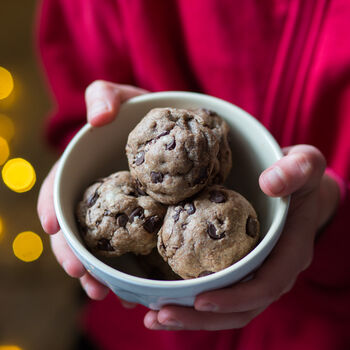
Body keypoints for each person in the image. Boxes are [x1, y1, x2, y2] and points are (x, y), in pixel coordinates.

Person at [36, 0, 350, 349]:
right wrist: (87, 135)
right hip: (128, 333)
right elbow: (75, 90)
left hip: (313, 328)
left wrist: (330, 209)